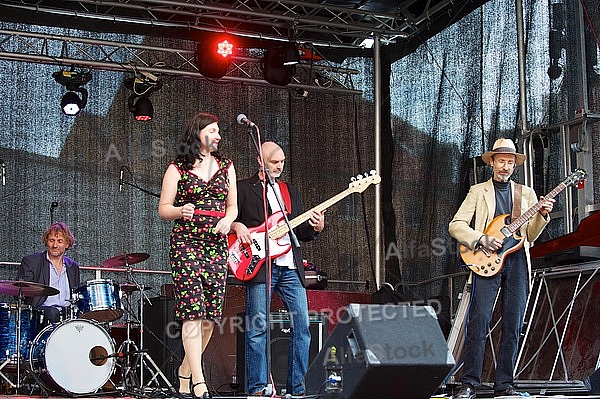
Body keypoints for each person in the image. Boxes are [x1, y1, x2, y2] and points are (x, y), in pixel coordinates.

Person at [448, 138, 555, 398]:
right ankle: (470, 382)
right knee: (479, 322)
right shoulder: (477, 191)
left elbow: (530, 235)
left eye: (510, 162)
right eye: (501, 161)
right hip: (487, 258)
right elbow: (456, 224)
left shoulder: (526, 194)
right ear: (492, 162)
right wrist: (481, 239)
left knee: (513, 323)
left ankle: (504, 384)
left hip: (517, 261)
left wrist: (541, 215)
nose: (505, 166)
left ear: (514, 165)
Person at [231, 141, 325, 396]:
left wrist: (315, 228)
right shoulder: (241, 188)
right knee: (257, 328)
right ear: (260, 161)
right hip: (260, 266)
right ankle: (258, 388)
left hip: (290, 268)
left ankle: (297, 388)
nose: (280, 166)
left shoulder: (289, 190)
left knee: (302, 327)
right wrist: (236, 226)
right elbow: (226, 218)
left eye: (282, 161)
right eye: (274, 161)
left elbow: (299, 232)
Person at [158, 111, 237, 399]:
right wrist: (180, 210)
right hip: (186, 244)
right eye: (213, 131)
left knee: (209, 318)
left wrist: (229, 220)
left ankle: (184, 371)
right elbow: (163, 208)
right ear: (198, 133)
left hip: (215, 245)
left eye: (219, 131)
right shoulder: (177, 168)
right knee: (192, 313)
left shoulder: (227, 166)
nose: (218, 136)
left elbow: (233, 206)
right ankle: (199, 380)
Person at [16, 222, 80, 323]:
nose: (55, 245)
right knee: (52, 313)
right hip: (42, 312)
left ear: (67, 244)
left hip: (67, 312)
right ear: (46, 242)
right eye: (51, 240)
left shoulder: (73, 266)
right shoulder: (32, 262)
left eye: (59, 241)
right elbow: (20, 291)